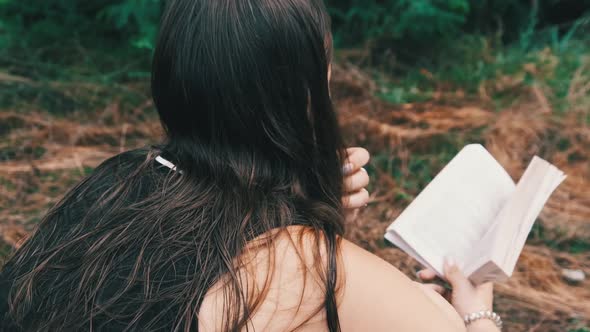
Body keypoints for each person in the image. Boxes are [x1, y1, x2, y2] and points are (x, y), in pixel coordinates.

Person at [0, 0, 502, 331]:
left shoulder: (119, 178)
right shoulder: (302, 266)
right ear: (303, 93)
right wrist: (476, 311)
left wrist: (307, 211)